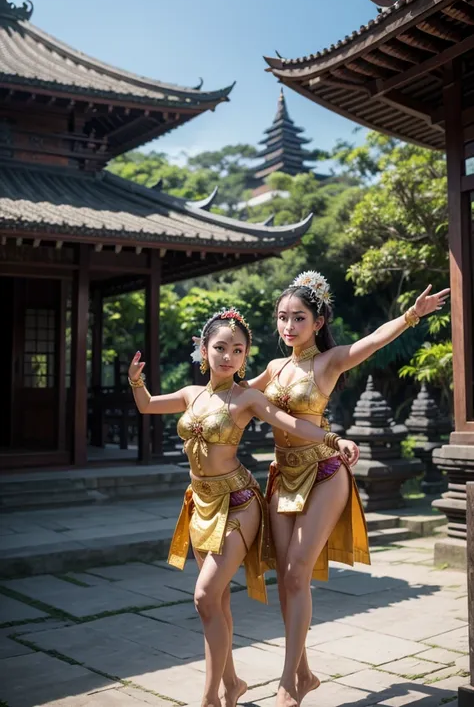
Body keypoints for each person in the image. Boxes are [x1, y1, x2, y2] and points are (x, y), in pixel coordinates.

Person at [128, 307, 360, 707]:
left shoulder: (248, 397)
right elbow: (147, 405)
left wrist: (332, 439)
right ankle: (231, 684)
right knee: (215, 602)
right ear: (204, 349)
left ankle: (210, 700)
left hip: (238, 503)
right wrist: (136, 381)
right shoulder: (190, 395)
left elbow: (291, 424)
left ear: (245, 357)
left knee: (204, 595)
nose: (228, 356)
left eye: (237, 350)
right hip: (200, 502)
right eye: (220, 347)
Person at [243, 272, 450, 707]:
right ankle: (303, 673)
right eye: (282, 318)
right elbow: (235, 399)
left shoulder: (329, 361)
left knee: (298, 572)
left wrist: (411, 315)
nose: (288, 326)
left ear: (317, 322)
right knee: (285, 580)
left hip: (324, 473)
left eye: (298, 317)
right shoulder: (274, 368)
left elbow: (373, 341)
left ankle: (287, 685)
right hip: (282, 474)